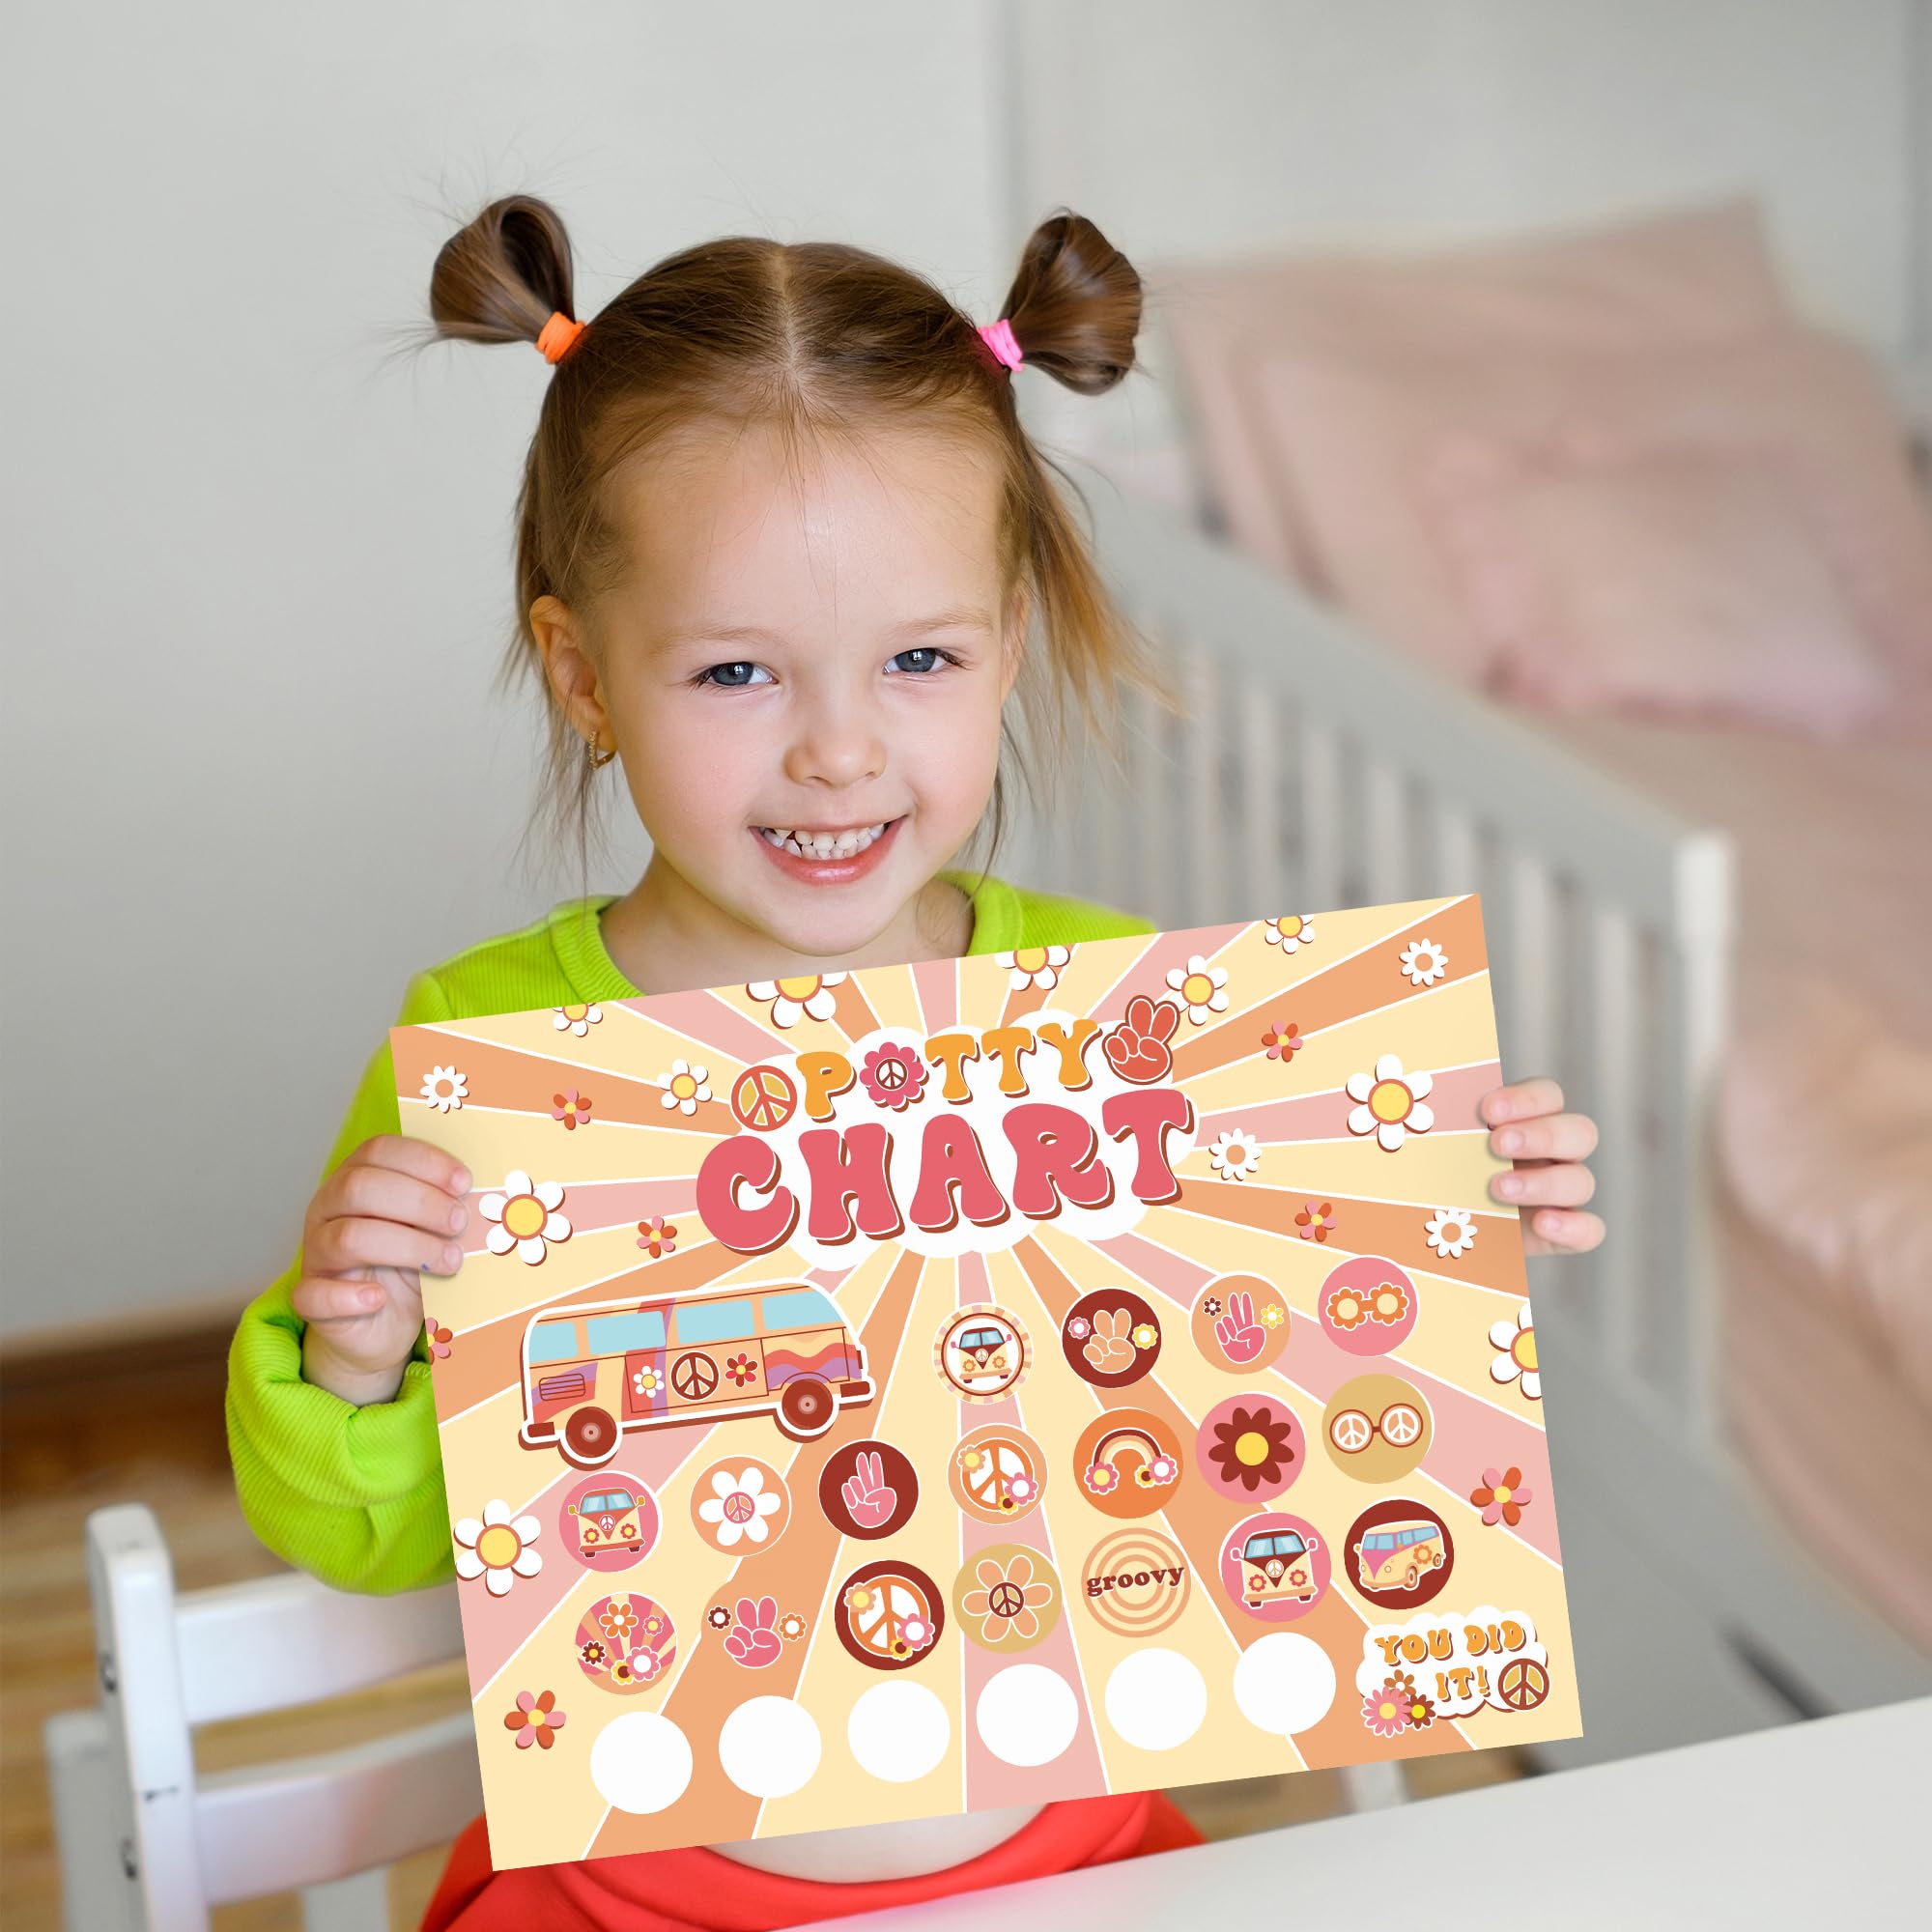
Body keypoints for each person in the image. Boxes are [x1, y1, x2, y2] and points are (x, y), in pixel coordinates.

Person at [225, 197, 1605, 1931]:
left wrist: (1454, 1206)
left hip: (1081, 1870)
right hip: (623, 1895)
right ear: (583, 676)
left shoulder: (1107, 1001)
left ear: (1007, 647)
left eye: (921, 660)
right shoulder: (488, 1050)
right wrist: (356, 1361)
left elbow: (1279, 1391)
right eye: (737, 670)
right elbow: (375, 1536)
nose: (840, 749)